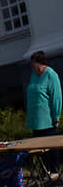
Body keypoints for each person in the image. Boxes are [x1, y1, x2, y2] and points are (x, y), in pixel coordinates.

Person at [27, 51, 61, 179]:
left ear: (38, 63)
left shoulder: (51, 75)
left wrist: (56, 115)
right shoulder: (33, 76)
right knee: (40, 148)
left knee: (51, 147)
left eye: (33, 64)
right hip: (35, 120)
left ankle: (54, 170)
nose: (32, 67)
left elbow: (56, 97)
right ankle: (45, 169)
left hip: (47, 119)